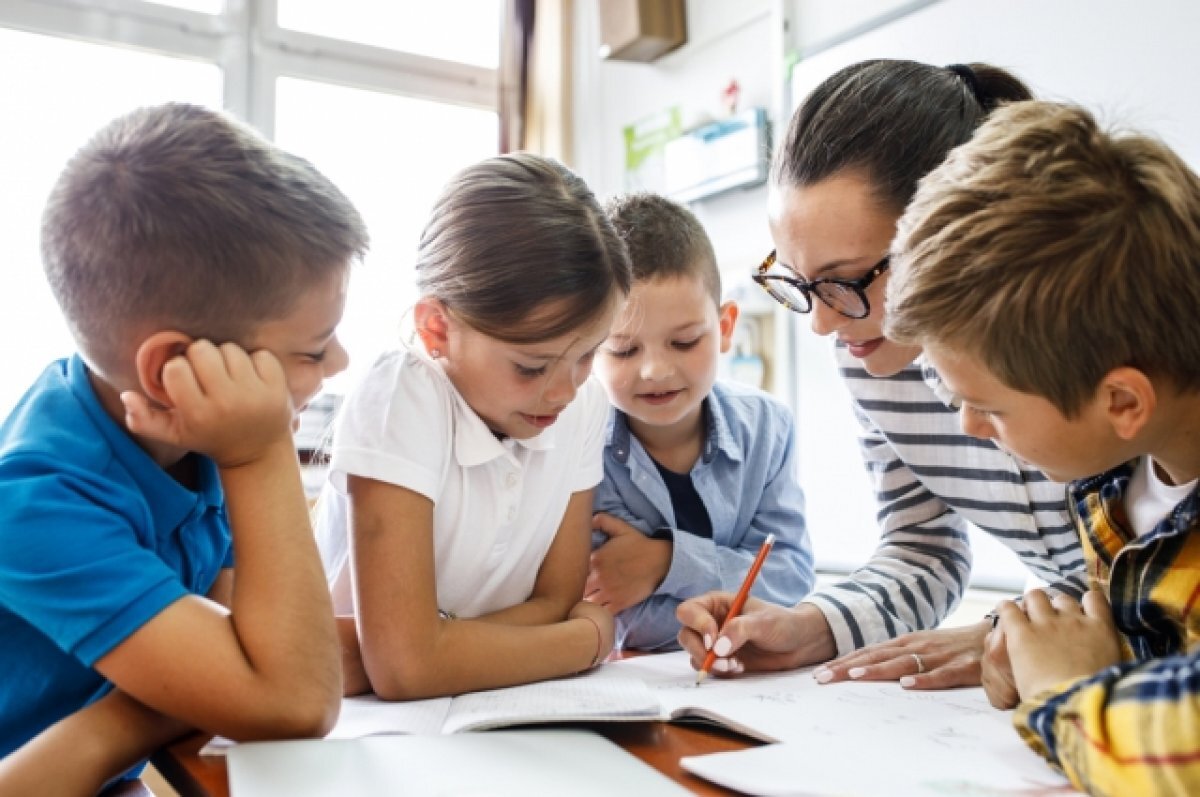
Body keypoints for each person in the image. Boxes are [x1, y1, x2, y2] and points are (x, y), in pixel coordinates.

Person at [677, 59, 1087, 687]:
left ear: (954, 232)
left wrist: (1005, 634)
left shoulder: (1102, 334)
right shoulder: (870, 352)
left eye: (844, 281)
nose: (821, 324)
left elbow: (1159, 572)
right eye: (797, 280)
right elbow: (923, 547)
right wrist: (809, 625)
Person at [0, 102, 365, 794]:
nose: (341, 361)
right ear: (172, 368)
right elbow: (295, 699)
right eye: (313, 348)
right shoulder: (34, 500)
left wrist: (211, 691)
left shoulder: (185, 435)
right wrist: (260, 455)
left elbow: (260, 654)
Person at [884, 98, 1200, 794]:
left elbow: (1182, 749)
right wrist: (1034, 645)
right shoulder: (1122, 483)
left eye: (988, 406)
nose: (968, 425)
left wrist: (1063, 686)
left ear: (1122, 402)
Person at [314, 152, 631, 699]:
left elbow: (554, 600)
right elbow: (405, 669)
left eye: (588, 355)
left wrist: (423, 648)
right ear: (437, 328)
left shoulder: (584, 404)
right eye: (530, 366)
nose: (563, 390)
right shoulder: (402, 394)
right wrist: (587, 641)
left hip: (487, 712)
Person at [587, 193, 815, 652]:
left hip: (749, 680)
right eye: (624, 350)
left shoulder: (768, 428)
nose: (655, 371)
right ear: (588, 344)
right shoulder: (581, 445)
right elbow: (613, 610)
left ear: (726, 327)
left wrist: (668, 562)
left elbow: (790, 578)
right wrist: (732, 594)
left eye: (685, 342)